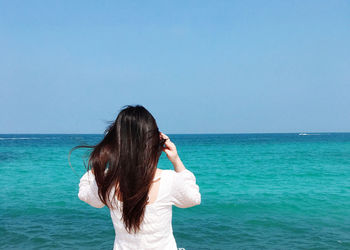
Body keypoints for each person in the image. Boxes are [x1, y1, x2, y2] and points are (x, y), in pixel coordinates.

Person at [73, 105, 201, 250]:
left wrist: (103, 164)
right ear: (154, 140)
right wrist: (176, 160)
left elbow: (86, 193)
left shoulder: (108, 181)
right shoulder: (168, 180)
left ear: (117, 141)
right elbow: (192, 198)